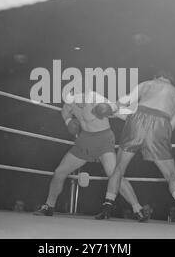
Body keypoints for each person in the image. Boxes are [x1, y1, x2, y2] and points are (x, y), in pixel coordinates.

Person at [95, 70, 175, 226]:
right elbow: (170, 128)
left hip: (137, 119)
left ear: (156, 77)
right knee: (171, 175)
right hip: (161, 125)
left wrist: (112, 108)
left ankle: (107, 207)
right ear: (171, 82)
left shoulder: (147, 84)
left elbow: (125, 102)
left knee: (118, 169)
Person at [33, 90, 148, 221]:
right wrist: (69, 121)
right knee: (59, 172)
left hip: (103, 139)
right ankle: (49, 206)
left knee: (114, 175)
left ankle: (138, 209)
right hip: (85, 140)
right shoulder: (70, 101)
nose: (78, 102)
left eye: (80, 98)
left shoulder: (95, 98)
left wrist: (136, 120)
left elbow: (117, 110)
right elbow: (64, 112)